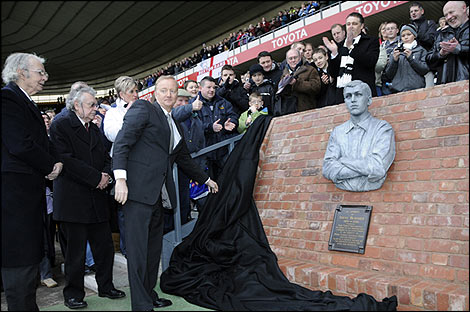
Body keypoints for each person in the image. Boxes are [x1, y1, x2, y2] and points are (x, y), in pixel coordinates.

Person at [112, 75, 219, 311]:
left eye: (172, 91)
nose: (169, 95)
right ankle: (141, 304)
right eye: (163, 90)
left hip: (158, 197)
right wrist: (120, 178)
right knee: (139, 253)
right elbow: (122, 143)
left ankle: (149, 295)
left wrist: (207, 179)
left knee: (152, 252)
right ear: (154, 93)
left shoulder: (174, 123)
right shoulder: (143, 109)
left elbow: (184, 160)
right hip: (137, 193)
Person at [50, 85, 126, 309]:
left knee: (104, 248)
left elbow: (106, 158)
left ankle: (106, 286)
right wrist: (96, 178)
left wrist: (106, 177)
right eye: (92, 105)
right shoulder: (61, 125)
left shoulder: (93, 129)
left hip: (97, 199)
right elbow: (66, 160)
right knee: (75, 253)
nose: (96, 108)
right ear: (77, 105)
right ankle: (73, 294)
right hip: (74, 200)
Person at [2, 52, 63, 311]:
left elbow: (43, 143)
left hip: (26, 195)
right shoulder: (7, 98)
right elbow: (21, 144)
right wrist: (50, 166)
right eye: (40, 72)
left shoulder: (24, 101)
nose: (45, 78)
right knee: (20, 264)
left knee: (28, 262)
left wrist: (55, 162)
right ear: (21, 73)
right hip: (15, 197)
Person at [322, 80, 395, 192]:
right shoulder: (338, 132)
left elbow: (378, 168)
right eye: (348, 96)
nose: (353, 100)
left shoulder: (382, 129)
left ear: (369, 100)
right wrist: (364, 168)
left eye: (358, 94)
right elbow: (327, 168)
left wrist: (343, 161)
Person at [323, 12, 379, 104]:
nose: (351, 26)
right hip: (342, 96)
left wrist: (351, 48)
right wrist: (334, 54)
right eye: (348, 24)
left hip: (362, 93)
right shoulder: (339, 46)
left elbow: (371, 62)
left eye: (354, 24)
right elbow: (333, 73)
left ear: (361, 26)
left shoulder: (371, 41)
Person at [194, 76, 238, 180]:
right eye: (209, 87)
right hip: (205, 154)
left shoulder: (223, 102)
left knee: (229, 179)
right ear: (200, 88)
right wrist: (210, 127)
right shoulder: (194, 104)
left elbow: (233, 115)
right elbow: (194, 126)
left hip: (224, 150)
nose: (212, 90)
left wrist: (231, 122)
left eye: (214, 87)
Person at [426, 1, 469, 84]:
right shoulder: (442, 34)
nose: (449, 17)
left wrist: (460, 49)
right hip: (445, 90)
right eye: (446, 15)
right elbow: (429, 61)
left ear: (464, 8)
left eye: (451, 12)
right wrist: (440, 54)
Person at [382, 24, 430, 93]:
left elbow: (425, 69)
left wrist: (411, 58)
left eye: (409, 34)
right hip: (398, 90)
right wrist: (394, 60)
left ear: (414, 35)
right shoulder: (396, 52)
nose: (406, 37)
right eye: (403, 36)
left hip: (417, 89)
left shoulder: (421, 50)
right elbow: (389, 75)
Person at [278, 48, 321, 113]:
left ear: (300, 57)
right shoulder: (284, 74)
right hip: (289, 111)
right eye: (290, 58)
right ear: (287, 60)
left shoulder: (310, 69)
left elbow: (316, 87)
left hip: (307, 110)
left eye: (295, 57)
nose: (293, 60)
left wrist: (296, 83)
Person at [409, 1, 439, 87]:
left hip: (427, 63)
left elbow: (430, 40)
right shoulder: (409, 27)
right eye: (411, 12)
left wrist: (416, 35)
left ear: (422, 11)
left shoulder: (430, 23)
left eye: (415, 10)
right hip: (413, 65)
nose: (413, 13)